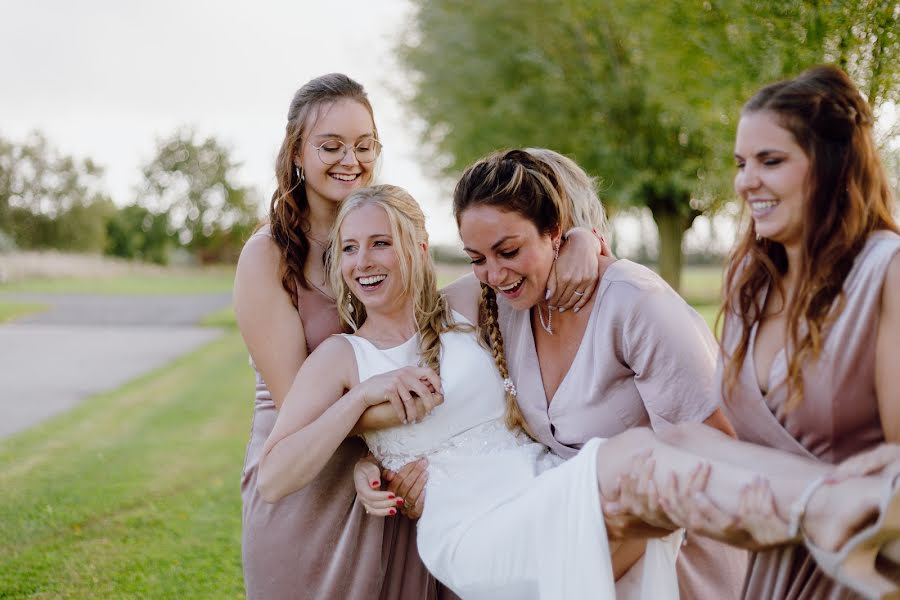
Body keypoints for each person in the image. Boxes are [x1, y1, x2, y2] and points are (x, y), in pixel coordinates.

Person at [261, 183, 900, 600]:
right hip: (476, 526)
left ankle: (841, 512)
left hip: (539, 480)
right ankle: (840, 511)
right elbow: (275, 476)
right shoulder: (344, 358)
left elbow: (534, 258)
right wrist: (357, 406)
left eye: (381, 243)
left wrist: (583, 244)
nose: (364, 261)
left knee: (667, 457)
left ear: (419, 249)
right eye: (349, 249)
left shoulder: (463, 305)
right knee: (639, 462)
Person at [233, 74, 602, 599]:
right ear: (296, 152)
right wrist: (397, 427)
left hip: (400, 478)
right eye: (331, 146)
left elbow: (504, 270)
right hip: (310, 475)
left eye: (364, 146)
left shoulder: (387, 231)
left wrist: (584, 239)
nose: (350, 159)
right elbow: (306, 409)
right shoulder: (268, 256)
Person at [378, 147, 748, 597]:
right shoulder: (505, 305)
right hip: (572, 548)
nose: (493, 273)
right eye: (477, 259)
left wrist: (584, 238)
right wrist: (372, 461)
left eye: (508, 251)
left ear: (555, 232)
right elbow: (398, 330)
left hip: (671, 556)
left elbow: (718, 454)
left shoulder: (635, 305)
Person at [616, 64, 900, 599]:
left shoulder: (885, 273)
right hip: (769, 566)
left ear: (834, 167)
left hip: (859, 569)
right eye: (742, 163)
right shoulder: (752, 281)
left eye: (771, 161)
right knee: (666, 439)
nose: (746, 181)